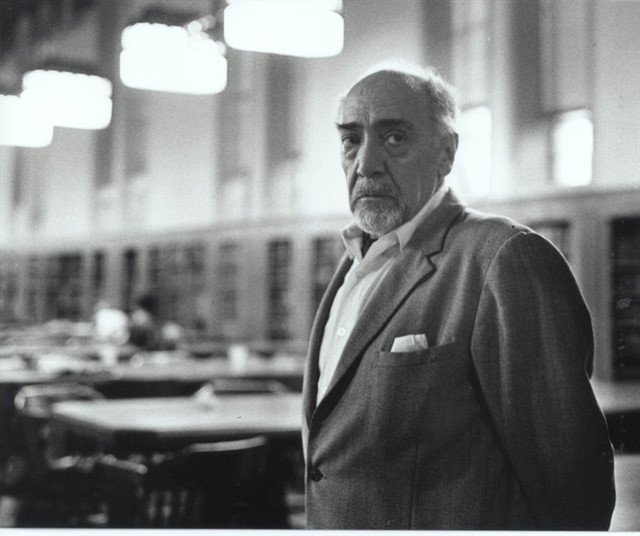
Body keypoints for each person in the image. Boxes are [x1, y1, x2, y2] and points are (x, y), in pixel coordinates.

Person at [301, 65, 615, 530]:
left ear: (446, 154)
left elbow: (574, 491)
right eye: (351, 140)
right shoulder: (353, 263)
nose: (365, 164)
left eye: (394, 138)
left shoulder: (502, 258)